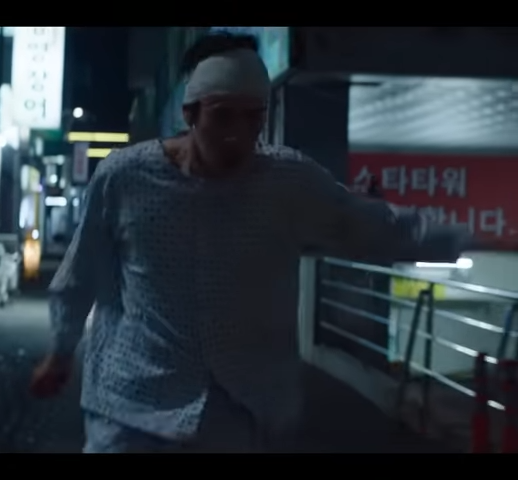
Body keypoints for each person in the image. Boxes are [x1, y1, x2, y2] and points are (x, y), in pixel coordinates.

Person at [29, 32, 474, 453]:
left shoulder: (286, 182)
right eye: (222, 115)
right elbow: (82, 268)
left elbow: (364, 223)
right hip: (133, 405)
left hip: (237, 409)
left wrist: (455, 238)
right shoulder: (125, 177)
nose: (238, 134)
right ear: (190, 113)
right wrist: (61, 350)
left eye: (253, 118)